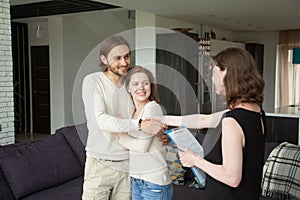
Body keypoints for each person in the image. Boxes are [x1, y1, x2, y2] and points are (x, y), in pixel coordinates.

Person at [157, 48, 266, 200]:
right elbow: (203, 120)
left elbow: (232, 178)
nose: (211, 79)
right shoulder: (255, 111)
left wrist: (195, 160)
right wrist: (162, 119)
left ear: (226, 72)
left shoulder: (232, 121)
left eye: (214, 72)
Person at [81, 36, 163, 200]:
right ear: (104, 59)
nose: (124, 62)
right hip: (99, 164)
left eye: (126, 56)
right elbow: (100, 120)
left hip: (129, 165)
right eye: (117, 58)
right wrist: (140, 124)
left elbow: (146, 110)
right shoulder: (92, 81)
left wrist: (158, 132)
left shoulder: (131, 84)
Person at [117, 66, 173, 200]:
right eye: (135, 84)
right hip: (136, 179)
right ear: (128, 88)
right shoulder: (131, 111)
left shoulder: (152, 108)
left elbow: (142, 147)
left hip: (154, 182)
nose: (141, 88)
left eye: (145, 83)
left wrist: (120, 134)